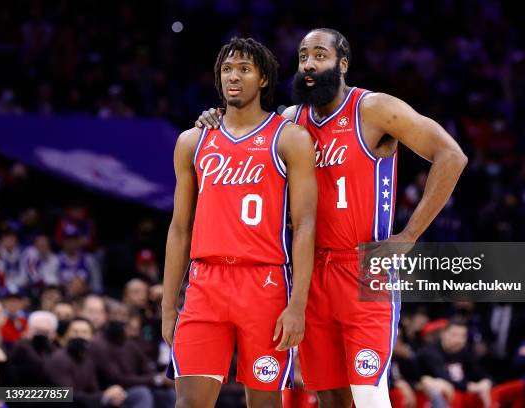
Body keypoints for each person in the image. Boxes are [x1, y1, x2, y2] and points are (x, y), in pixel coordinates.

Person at [197, 28, 467, 407]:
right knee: (330, 398)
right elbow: (243, 132)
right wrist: (214, 117)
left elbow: (451, 156)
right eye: (303, 56)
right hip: (310, 272)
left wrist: (408, 236)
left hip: (365, 266)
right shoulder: (290, 121)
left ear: (342, 64)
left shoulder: (374, 109)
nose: (308, 64)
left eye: (319, 55)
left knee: (370, 395)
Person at [162, 37, 317, 408]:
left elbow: (306, 224)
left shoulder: (289, 138)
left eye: (244, 69)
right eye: (227, 69)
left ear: (263, 78)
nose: (234, 76)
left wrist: (297, 305)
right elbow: (180, 228)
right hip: (205, 283)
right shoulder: (193, 140)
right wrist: (169, 306)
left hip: (264, 282)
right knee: (188, 403)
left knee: (264, 403)